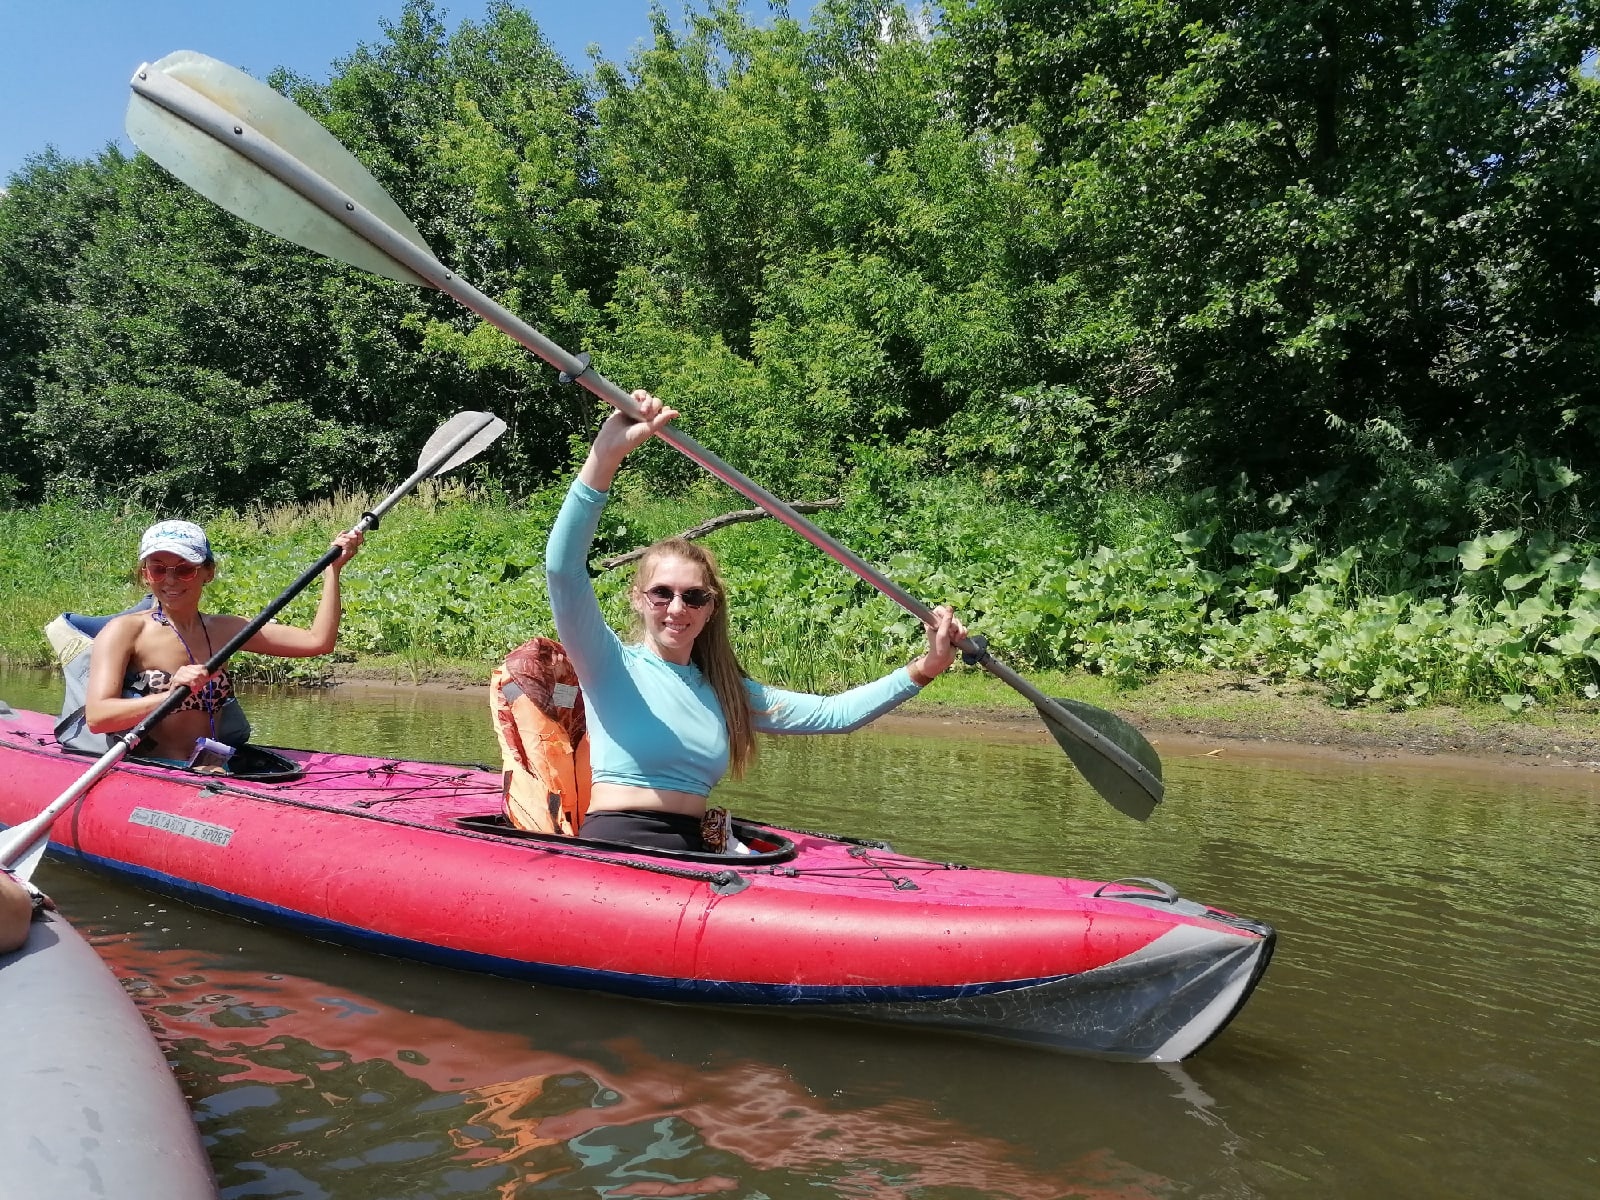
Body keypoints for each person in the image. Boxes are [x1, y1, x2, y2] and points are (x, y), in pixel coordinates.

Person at [545, 392, 968, 852]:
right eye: (662, 593)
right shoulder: (607, 663)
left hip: (693, 850)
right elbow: (562, 569)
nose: (677, 608)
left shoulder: (726, 691)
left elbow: (835, 715)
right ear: (638, 599)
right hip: (618, 842)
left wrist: (927, 667)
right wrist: (604, 457)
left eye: (694, 596)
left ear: (710, 607)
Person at [84, 519, 363, 765]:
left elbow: (318, 642)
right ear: (146, 574)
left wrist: (333, 571)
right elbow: (98, 718)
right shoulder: (125, 631)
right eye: (158, 569)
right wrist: (168, 697)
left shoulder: (225, 629)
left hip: (213, 769)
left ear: (208, 572)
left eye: (184, 569)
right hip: (155, 770)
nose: (170, 580)